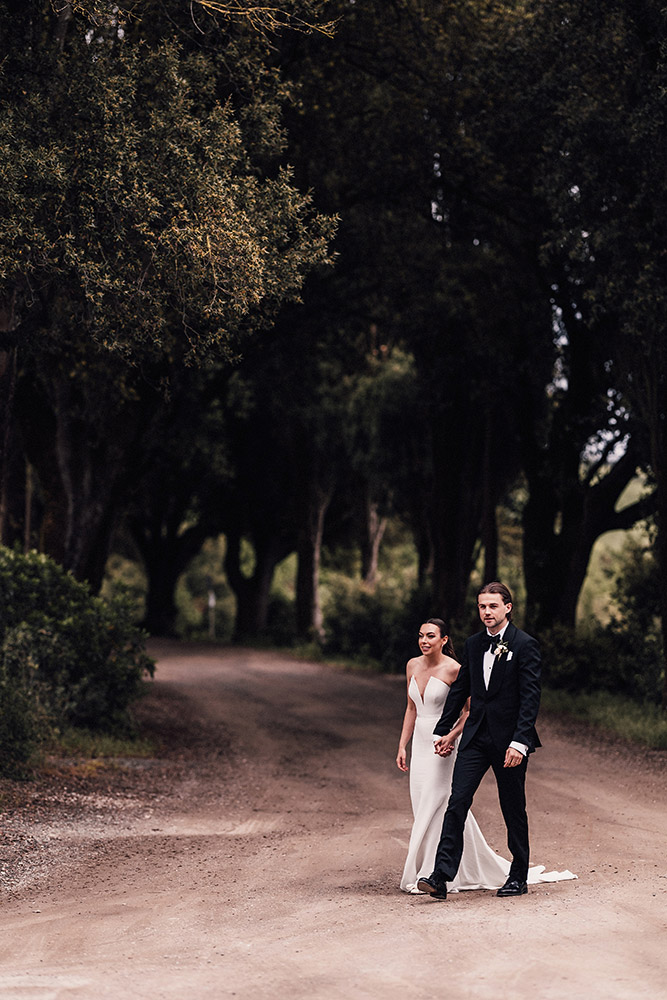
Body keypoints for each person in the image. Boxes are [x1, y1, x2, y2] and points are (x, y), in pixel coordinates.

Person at [397, 617, 557, 894]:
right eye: (483, 606)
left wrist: (520, 742)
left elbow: (530, 697)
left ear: (507, 608)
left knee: (512, 806)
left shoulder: (524, 645)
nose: (487, 611)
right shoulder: (473, 644)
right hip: (473, 740)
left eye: (493, 605)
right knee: (456, 801)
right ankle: (441, 875)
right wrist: (440, 731)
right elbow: (459, 694)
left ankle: (517, 876)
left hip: (508, 739)